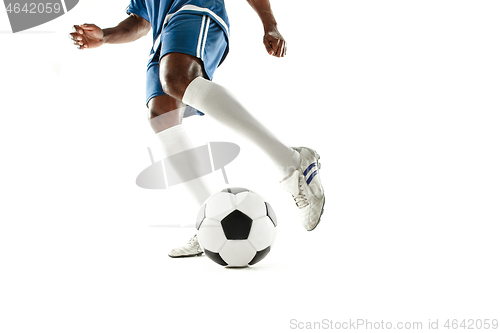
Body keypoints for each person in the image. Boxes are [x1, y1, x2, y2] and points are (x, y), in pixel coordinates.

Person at [69, 0, 325, 258]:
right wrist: (105, 36)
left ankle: (292, 163)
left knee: (178, 77)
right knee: (162, 116)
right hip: (163, 32)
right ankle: (210, 222)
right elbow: (139, 21)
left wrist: (270, 25)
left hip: (196, 7)